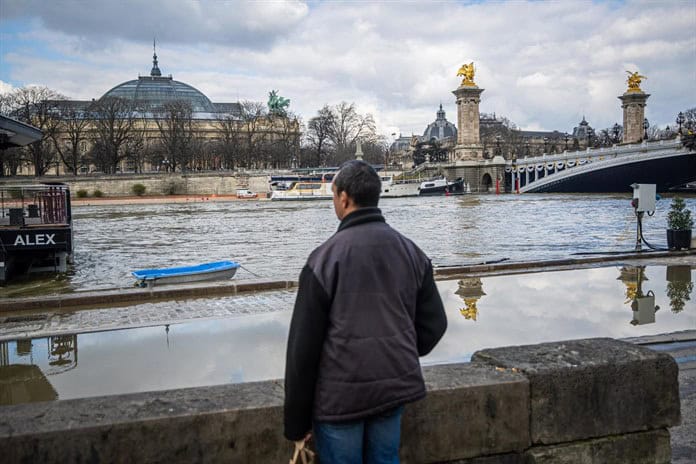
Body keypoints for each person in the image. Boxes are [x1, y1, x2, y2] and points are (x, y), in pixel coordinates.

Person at [284, 160, 448, 463]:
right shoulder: (411, 251)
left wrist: (296, 422)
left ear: (344, 198)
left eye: (333, 196)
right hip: (392, 391)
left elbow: (301, 353)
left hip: (339, 400)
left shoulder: (323, 260)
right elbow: (435, 325)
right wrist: (398, 354)